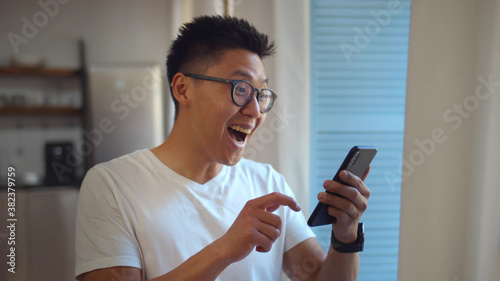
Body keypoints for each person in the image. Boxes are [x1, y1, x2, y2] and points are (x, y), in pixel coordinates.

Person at [75, 15, 371, 281]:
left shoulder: (267, 183)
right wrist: (223, 251)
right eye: (240, 89)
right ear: (183, 89)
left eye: (261, 94)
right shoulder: (112, 185)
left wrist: (345, 237)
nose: (255, 111)